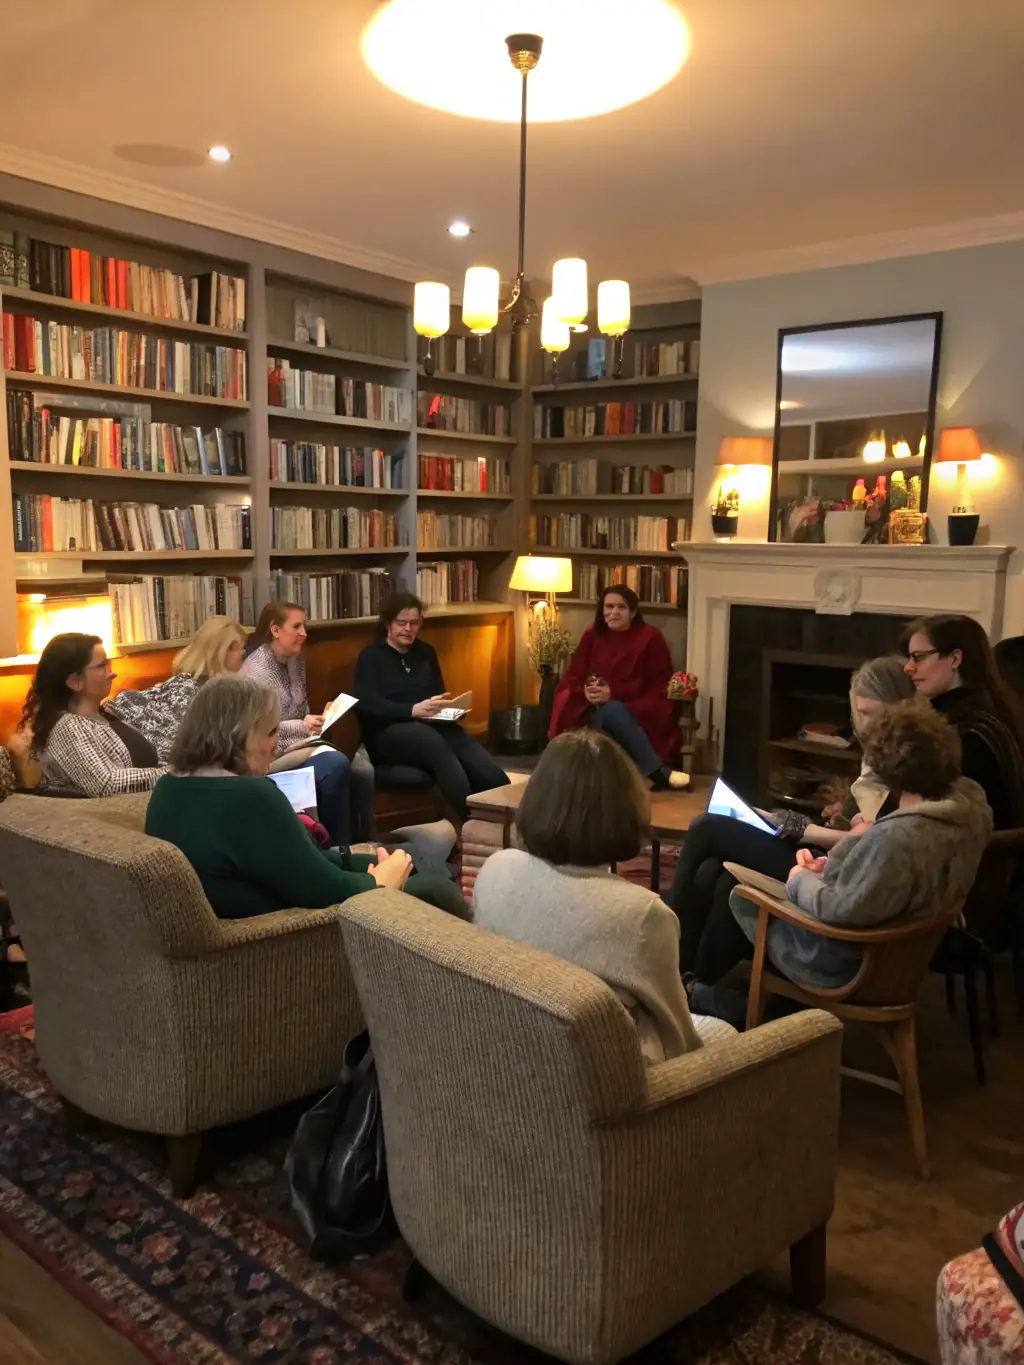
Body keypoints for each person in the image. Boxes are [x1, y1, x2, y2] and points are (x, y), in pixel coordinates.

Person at [472, 729, 734, 1064]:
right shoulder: (642, 914)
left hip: (504, 1056)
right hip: (606, 1090)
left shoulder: (495, 869)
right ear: (625, 808)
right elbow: (681, 1040)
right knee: (725, 1033)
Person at [696, 701, 992, 997]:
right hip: (896, 955)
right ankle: (701, 988)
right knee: (716, 872)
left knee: (728, 882)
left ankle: (696, 990)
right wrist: (827, 866)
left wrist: (800, 877)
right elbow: (875, 885)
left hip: (846, 964)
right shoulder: (964, 812)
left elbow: (840, 908)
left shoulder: (900, 837)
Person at [145, 675, 468, 920]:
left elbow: (295, 862)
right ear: (239, 736)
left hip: (257, 901)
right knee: (433, 888)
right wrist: (381, 882)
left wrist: (373, 860)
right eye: (271, 732)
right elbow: (325, 889)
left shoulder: (167, 790)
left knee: (403, 858)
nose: (275, 744)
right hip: (287, 929)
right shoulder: (249, 796)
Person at [672, 654, 915, 973]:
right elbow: (862, 827)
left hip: (825, 872)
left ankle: (669, 955)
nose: (864, 724)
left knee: (707, 827)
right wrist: (841, 815)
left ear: (899, 708)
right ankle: (689, 977)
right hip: (820, 857)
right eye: (858, 713)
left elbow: (872, 842)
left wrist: (800, 826)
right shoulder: (880, 754)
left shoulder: (910, 765)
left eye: (871, 713)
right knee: (715, 872)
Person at [353, 591, 509, 818]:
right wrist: (411, 710)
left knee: (464, 744)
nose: (408, 629)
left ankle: (504, 814)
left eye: (414, 623)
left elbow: (438, 693)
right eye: (402, 623)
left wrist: (448, 708)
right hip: (388, 731)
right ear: (387, 624)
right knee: (432, 742)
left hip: (431, 723)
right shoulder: (371, 656)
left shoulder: (425, 652)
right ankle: (469, 821)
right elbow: (367, 705)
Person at [240, 600, 361, 847]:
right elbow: (258, 731)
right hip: (270, 755)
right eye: (296, 627)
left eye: (304, 626)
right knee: (336, 763)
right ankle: (337, 849)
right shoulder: (255, 671)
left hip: (300, 744)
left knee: (362, 770)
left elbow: (301, 707)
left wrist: (319, 719)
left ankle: (363, 843)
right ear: (275, 630)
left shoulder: (295, 659)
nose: (304, 634)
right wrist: (302, 726)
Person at [548, 584, 688, 791]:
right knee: (606, 713)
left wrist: (613, 693)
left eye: (621, 607)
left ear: (632, 611)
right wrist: (586, 692)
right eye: (609, 606)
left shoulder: (651, 637)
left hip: (634, 707)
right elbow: (574, 677)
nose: (613, 612)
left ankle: (626, 778)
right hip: (589, 708)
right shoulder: (592, 635)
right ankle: (657, 771)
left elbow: (659, 686)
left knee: (612, 710)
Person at [903, 613, 1024, 830]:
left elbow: (938, 819)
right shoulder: (990, 710)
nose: (908, 667)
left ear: (955, 659)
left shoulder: (965, 733)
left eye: (918, 657)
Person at [20, 633, 165, 797]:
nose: (112, 673)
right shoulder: (67, 728)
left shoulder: (106, 715)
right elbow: (107, 784)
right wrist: (174, 775)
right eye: (102, 665)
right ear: (75, 681)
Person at [104, 615, 247, 760]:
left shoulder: (219, 690)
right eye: (238, 648)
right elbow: (177, 752)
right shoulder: (188, 691)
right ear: (221, 651)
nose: (243, 653)